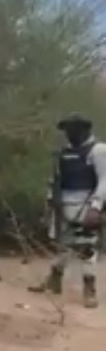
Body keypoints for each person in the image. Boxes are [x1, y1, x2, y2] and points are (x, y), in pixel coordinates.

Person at [30, 113, 106, 308]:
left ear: (85, 130)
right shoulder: (63, 152)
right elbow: (55, 179)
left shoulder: (98, 150)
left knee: (86, 248)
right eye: (67, 130)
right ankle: (55, 279)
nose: (69, 134)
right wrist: (49, 202)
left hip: (86, 204)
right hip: (63, 204)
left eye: (73, 130)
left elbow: (104, 180)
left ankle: (89, 288)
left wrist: (96, 207)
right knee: (63, 244)